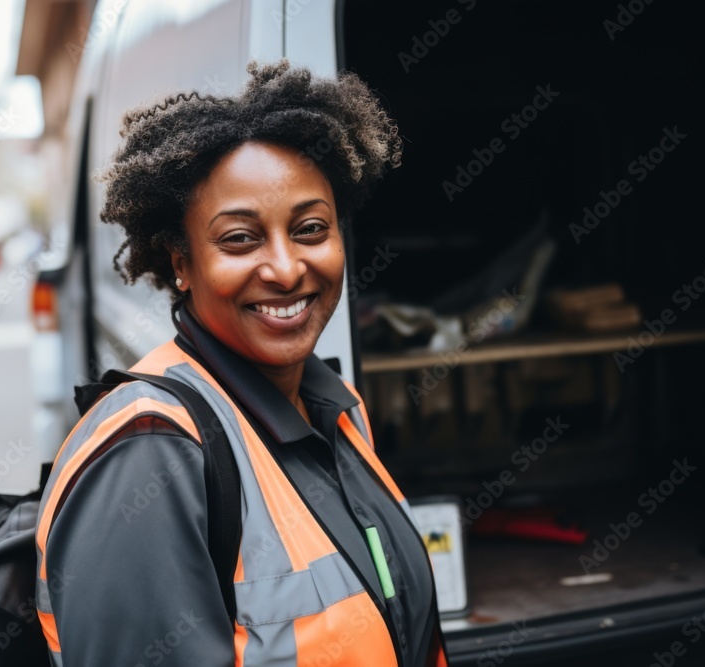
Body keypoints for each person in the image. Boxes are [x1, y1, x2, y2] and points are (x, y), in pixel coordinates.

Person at [35, 60, 450, 667]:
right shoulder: (148, 453)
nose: (285, 268)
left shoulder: (335, 408)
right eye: (240, 239)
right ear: (181, 263)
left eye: (311, 229)